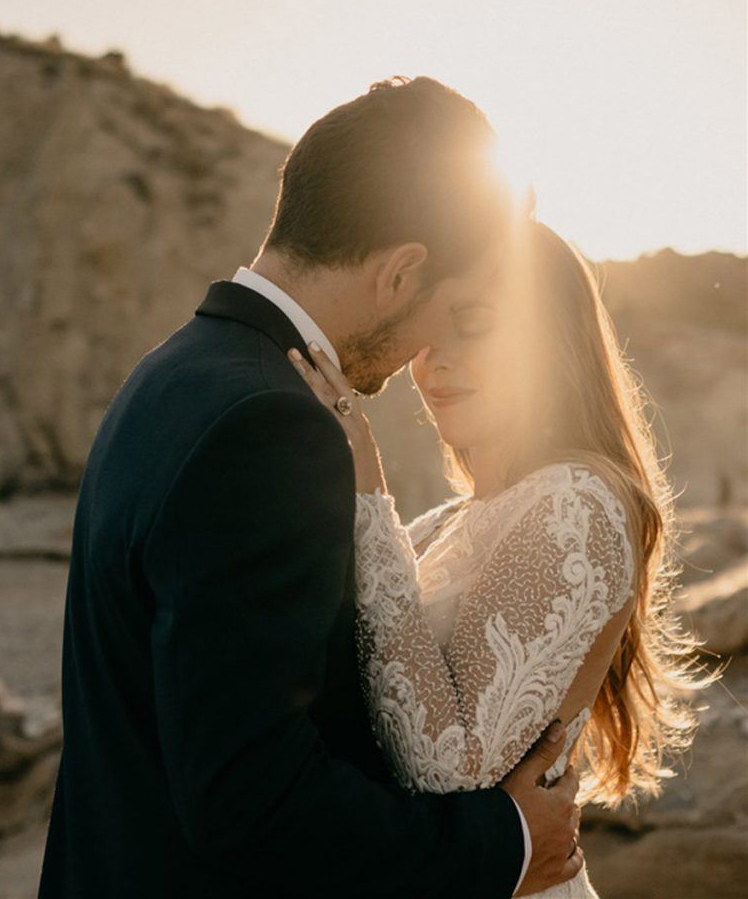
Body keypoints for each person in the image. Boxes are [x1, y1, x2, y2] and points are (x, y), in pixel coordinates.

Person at [38, 77, 581, 899]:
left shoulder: (170, 375)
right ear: (401, 274)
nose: (430, 351)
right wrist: (500, 841)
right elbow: (251, 801)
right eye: (453, 310)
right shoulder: (270, 428)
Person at [289, 218, 704, 898]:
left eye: (474, 325)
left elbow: (449, 772)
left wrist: (367, 497)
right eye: (427, 334)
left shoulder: (578, 502)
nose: (435, 361)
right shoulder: (441, 525)